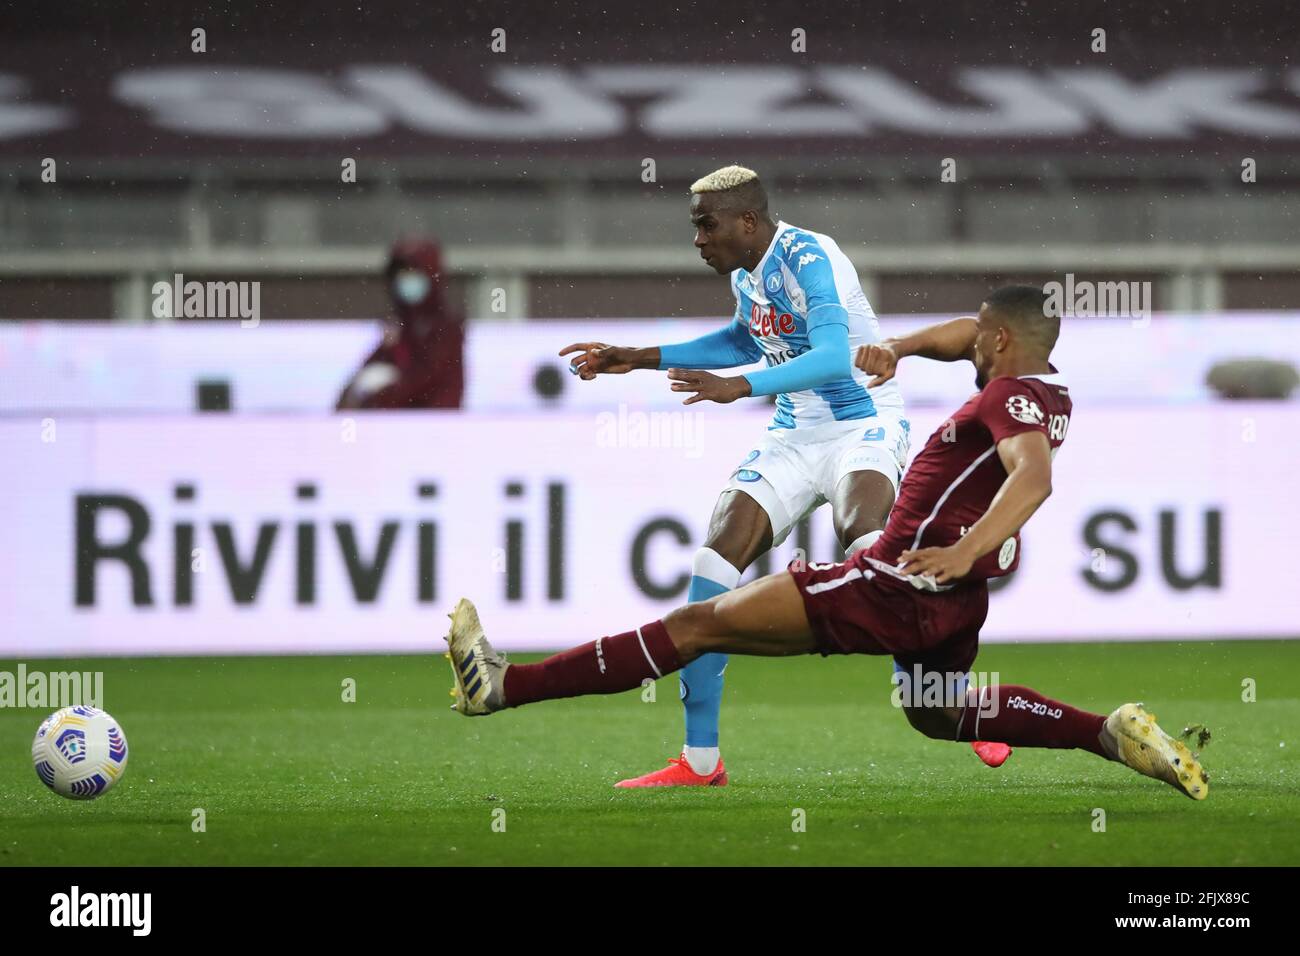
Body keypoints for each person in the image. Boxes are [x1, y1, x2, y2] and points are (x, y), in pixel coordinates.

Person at [444, 285, 1211, 802]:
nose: (967, 337)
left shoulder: (1006, 396)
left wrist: (964, 547)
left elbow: (1033, 480)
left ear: (1002, 339)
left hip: (892, 585)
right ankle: (1104, 735)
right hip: (949, 607)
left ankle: (503, 687)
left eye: (981, 330)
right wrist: (904, 347)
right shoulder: (1047, 389)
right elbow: (959, 343)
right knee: (935, 710)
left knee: (693, 626)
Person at [558, 164, 910, 787]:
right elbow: (742, 340)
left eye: (706, 225)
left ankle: (957, 703)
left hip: (863, 422)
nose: (697, 239)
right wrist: (635, 358)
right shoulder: (748, 271)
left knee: (864, 540)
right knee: (713, 564)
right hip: (793, 433)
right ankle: (700, 761)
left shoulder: (811, 256)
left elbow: (831, 356)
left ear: (747, 221)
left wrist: (738, 387)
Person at [337, 238, 464, 410]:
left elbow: (424, 381)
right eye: (402, 275)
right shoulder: (399, 325)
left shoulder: (445, 328)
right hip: (395, 424)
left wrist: (375, 399)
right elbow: (368, 374)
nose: (407, 281)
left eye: (414, 274)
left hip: (434, 426)